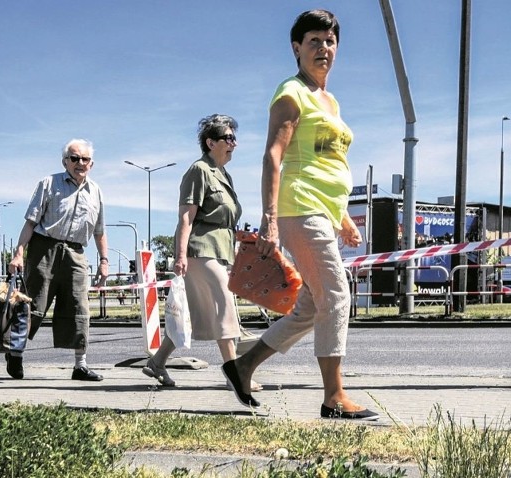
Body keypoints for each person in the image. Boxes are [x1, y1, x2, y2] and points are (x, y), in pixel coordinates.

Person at [221, 10, 379, 420]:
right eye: (314, 41)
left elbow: (326, 162)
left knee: (311, 307)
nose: (323, 48)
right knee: (336, 294)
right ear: (296, 48)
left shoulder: (330, 100)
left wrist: (342, 216)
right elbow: (274, 156)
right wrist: (269, 217)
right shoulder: (291, 93)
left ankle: (243, 366)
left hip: (322, 211)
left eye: (329, 41)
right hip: (299, 207)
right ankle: (333, 397)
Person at [142, 114, 259, 389]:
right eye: (228, 138)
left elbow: (224, 218)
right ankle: (235, 374)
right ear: (210, 142)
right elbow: (186, 217)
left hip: (221, 250)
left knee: (194, 314)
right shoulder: (199, 171)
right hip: (200, 250)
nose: (234, 143)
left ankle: (157, 363)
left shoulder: (223, 174)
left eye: (234, 138)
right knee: (223, 305)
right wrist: (180, 255)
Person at [7, 138, 109, 381]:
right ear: (65, 161)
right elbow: (31, 222)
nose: (80, 163)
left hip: (76, 252)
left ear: (91, 164)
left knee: (78, 308)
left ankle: (80, 365)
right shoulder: (49, 184)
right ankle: (15, 353)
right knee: (34, 306)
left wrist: (104, 260)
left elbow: (99, 231)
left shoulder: (96, 191)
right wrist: (19, 253)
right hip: (45, 248)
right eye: (74, 158)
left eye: (85, 159)